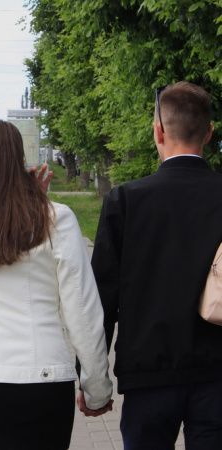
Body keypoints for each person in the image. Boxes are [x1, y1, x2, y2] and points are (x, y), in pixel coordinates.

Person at [0, 120, 113, 449]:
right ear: (19, 159)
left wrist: (25, 201)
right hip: (42, 378)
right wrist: (97, 387)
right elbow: (82, 311)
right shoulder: (55, 218)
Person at [91, 82, 222, 449]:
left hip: (147, 372)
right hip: (217, 372)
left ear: (158, 131)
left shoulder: (126, 200)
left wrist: (93, 378)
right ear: (209, 133)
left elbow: (102, 296)